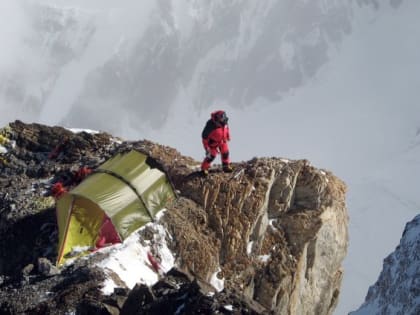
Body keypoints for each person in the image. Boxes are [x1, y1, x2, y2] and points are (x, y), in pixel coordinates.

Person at [201, 110, 233, 175]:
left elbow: (227, 129)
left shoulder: (224, 123)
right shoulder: (210, 126)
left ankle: (225, 166)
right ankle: (204, 168)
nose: (224, 119)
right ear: (217, 118)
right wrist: (207, 148)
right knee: (211, 156)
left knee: (225, 153)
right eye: (222, 117)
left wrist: (228, 136)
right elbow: (204, 138)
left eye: (224, 117)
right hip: (212, 144)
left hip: (222, 141)